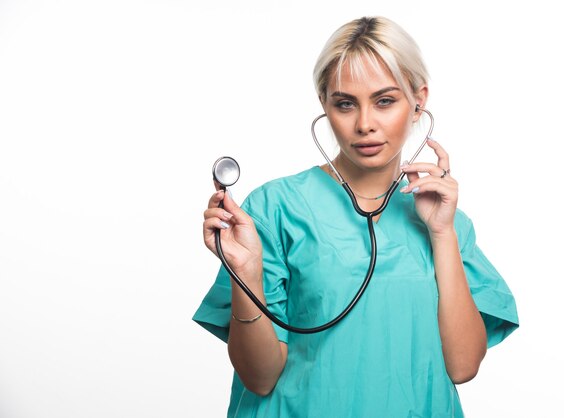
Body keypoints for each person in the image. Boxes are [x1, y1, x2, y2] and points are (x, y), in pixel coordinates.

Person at [194, 16, 518, 417]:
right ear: (324, 105)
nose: (365, 124)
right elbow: (260, 377)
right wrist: (246, 275)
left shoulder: (448, 223)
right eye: (345, 103)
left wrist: (443, 234)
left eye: (385, 101)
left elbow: (463, 366)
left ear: (419, 102)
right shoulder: (275, 208)